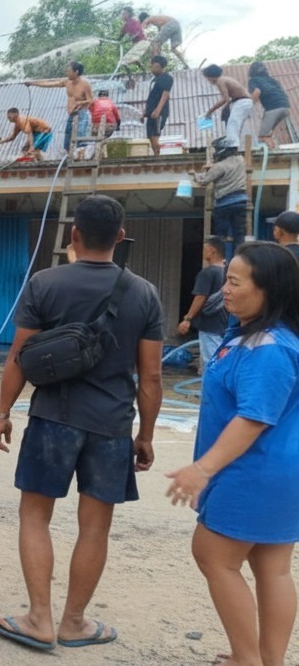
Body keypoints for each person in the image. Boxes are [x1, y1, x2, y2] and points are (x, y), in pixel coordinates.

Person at [0, 194, 164, 652]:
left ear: (74, 234)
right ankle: (73, 622)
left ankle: (38, 619)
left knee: (34, 515)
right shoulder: (144, 293)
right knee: (94, 526)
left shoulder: (45, 283)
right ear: (121, 238)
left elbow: (18, 358)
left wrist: (4, 412)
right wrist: (144, 436)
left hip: (52, 418)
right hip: (112, 424)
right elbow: (151, 376)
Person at [165, 242, 299, 666]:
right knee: (272, 567)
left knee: (213, 556)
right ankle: (267, 660)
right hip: (278, 472)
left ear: (269, 290)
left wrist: (202, 469)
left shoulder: (268, 348)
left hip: (253, 472)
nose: (225, 289)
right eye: (227, 279)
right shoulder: (251, 334)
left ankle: (249, 660)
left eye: (236, 282)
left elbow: (253, 419)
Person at [178, 236, 227, 373]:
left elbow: (200, 297)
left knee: (210, 361)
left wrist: (187, 318)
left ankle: (211, 391)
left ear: (212, 251)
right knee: (220, 358)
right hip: (224, 323)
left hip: (209, 324)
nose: (203, 252)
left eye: (205, 249)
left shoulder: (207, 273)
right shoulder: (227, 271)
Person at [194, 143, 248, 261]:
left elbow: (204, 181)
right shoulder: (240, 160)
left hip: (224, 204)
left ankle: (224, 260)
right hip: (241, 202)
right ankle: (239, 260)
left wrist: (196, 175)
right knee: (239, 235)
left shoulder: (219, 166)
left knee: (222, 237)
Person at [28, 62, 93, 154]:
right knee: (67, 138)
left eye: (69, 71)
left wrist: (79, 102)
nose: (67, 73)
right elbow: (50, 84)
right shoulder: (67, 82)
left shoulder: (85, 84)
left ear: (76, 72)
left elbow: (91, 100)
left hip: (81, 113)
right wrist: (33, 83)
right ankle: (69, 155)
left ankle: (81, 156)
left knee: (80, 137)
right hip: (71, 114)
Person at [203, 65, 254, 151]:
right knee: (234, 123)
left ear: (210, 77)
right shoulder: (225, 79)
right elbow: (230, 98)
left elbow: (225, 98)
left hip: (242, 102)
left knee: (232, 123)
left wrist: (210, 111)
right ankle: (234, 144)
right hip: (242, 102)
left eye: (207, 78)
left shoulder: (220, 81)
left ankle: (232, 146)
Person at [248, 61, 292, 150]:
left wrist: (248, 106)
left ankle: (272, 156)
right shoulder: (272, 80)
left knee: (263, 136)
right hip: (285, 106)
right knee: (267, 133)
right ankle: (272, 151)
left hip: (274, 108)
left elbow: (257, 92)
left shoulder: (253, 80)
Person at [141, 56, 173, 155]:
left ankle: (157, 154)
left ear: (161, 67)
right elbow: (151, 96)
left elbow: (165, 94)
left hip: (160, 111)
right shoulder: (154, 80)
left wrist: (158, 110)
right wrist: (145, 112)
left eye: (156, 67)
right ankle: (156, 153)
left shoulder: (167, 78)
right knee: (150, 134)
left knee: (155, 133)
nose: (153, 69)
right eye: (152, 66)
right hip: (151, 111)